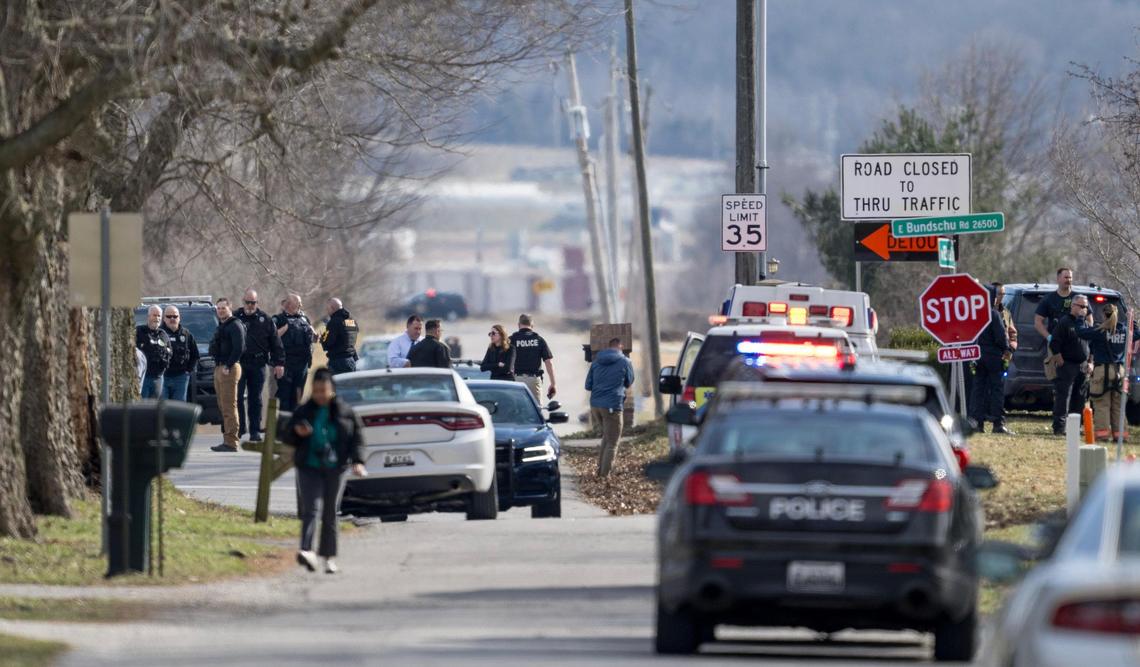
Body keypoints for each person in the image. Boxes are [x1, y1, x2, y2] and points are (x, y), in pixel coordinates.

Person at [283, 368, 367, 575]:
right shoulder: (303, 411)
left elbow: (357, 439)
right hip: (309, 467)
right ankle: (307, 550)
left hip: (335, 469)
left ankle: (328, 558)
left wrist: (357, 461)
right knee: (311, 509)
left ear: (332, 390)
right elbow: (287, 435)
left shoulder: (346, 412)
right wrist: (296, 432)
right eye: (317, 390)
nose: (320, 395)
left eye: (324, 390)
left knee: (330, 513)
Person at [236, 289, 285, 442]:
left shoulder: (265, 319)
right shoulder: (235, 317)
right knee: (236, 398)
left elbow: (276, 343)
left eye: (253, 302)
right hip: (239, 363)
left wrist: (279, 363)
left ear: (257, 303)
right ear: (243, 301)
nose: (250, 305)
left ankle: (255, 430)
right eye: (247, 302)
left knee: (255, 398)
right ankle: (239, 428)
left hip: (258, 364)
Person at [1078, 303, 1131, 440]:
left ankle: (1102, 434)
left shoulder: (1099, 330)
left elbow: (1081, 332)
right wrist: (1134, 323)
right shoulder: (1124, 330)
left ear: (1103, 314)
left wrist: (1080, 317)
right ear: (1116, 314)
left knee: (1102, 404)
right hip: (1119, 371)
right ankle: (1120, 436)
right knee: (1118, 405)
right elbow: (1136, 334)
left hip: (1102, 371)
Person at [585, 337, 635, 477]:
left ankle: (600, 470)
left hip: (595, 405)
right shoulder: (625, 361)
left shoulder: (596, 362)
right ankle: (603, 476)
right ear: (621, 347)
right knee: (613, 443)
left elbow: (588, 385)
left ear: (609, 347)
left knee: (607, 437)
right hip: (612, 405)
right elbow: (629, 381)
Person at [969, 290, 1013, 435]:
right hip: (993, 357)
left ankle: (977, 424)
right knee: (997, 390)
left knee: (978, 390)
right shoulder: (993, 314)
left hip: (976, 355)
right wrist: (1006, 349)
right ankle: (998, 424)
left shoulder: (973, 313)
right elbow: (1000, 337)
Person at [1049, 294, 1093, 436]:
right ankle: (1060, 427)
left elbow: (1091, 345)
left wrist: (1091, 362)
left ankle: (1074, 427)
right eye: (1081, 306)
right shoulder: (1065, 322)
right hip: (1067, 365)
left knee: (1079, 398)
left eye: (1086, 307)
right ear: (1073, 306)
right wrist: (1058, 357)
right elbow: (1054, 342)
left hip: (1082, 366)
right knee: (1063, 397)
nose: (1084, 309)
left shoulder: (1085, 323)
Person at [209, 298, 246, 452]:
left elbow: (239, 348)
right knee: (223, 406)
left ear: (230, 308)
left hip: (228, 368)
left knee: (230, 406)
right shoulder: (222, 325)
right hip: (219, 367)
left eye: (223, 308)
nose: (220, 310)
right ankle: (227, 439)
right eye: (218, 308)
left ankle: (231, 442)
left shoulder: (235, 325)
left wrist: (229, 365)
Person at [274, 293, 315, 412]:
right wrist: (285, 328)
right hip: (286, 364)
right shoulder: (278, 319)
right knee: (284, 396)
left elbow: (312, 337)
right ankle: (282, 426)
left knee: (298, 396)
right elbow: (271, 337)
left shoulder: (304, 319)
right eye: (298, 303)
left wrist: (315, 337)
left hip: (302, 364)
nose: (301, 305)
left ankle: (294, 426)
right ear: (289, 305)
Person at [510, 313, 556, 402]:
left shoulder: (511, 340)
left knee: (516, 409)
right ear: (532, 325)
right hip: (533, 380)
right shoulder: (539, 340)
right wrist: (553, 384)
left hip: (515, 380)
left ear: (518, 325)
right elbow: (548, 362)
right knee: (536, 410)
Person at [160, 305, 200, 402]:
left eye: (175, 316)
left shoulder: (186, 334)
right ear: (164, 318)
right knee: (162, 407)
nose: (172, 319)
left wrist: (188, 371)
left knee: (179, 407)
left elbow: (195, 355)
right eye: (169, 316)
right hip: (162, 377)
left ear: (179, 318)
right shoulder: (158, 333)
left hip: (180, 378)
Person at [136, 305, 172, 399]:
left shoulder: (163, 335)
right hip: (144, 378)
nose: (157, 318)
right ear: (148, 316)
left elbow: (169, 353)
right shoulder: (139, 332)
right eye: (154, 315)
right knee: (142, 406)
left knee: (154, 407)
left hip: (158, 378)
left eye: (159, 316)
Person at [1035, 267, 1076, 346]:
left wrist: (1082, 335)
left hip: (1075, 345)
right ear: (1058, 279)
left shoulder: (1078, 298)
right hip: (1056, 344)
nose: (1069, 280)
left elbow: (1089, 319)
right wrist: (1049, 337)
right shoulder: (1048, 298)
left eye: (1070, 278)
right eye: (1066, 277)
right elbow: (1037, 322)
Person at [321, 298, 359, 375]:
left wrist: (322, 338)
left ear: (332, 308)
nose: (327, 311)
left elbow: (328, 343)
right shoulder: (351, 321)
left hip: (338, 363)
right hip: (351, 360)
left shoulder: (334, 322)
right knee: (350, 386)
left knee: (336, 387)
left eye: (328, 309)